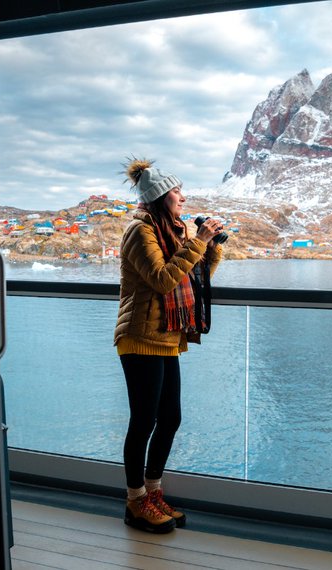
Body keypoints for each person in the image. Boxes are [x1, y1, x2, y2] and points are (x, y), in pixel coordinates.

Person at [114, 158, 224, 534]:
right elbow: (163, 279)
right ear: (161, 196)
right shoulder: (139, 231)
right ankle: (134, 501)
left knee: (170, 418)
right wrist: (198, 242)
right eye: (177, 190)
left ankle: (154, 493)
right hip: (139, 337)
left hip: (165, 337)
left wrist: (210, 248)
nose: (183, 196)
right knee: (144, 421)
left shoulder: (170, 231)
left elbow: (190, 278)